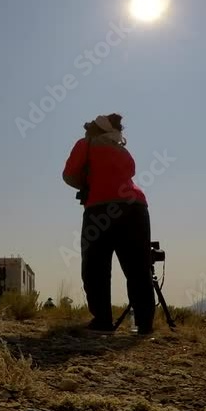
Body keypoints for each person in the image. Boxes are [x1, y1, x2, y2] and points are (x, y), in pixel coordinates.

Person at [62, 113, 155, 335]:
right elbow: (130, 172)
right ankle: (144, 325)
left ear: (94, 131)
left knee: (96, 267)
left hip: (101, 208)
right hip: (136, 207)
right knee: (138, 268)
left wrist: (87, 183)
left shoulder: (86, 144)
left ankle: (103, 321)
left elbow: (69, 174)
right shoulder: (122, 149)